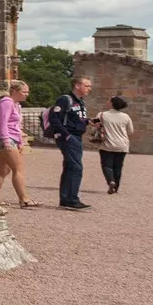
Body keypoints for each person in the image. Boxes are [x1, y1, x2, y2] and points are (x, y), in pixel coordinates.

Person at [48, 75, 94, 210]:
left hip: (76, 136)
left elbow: (74, 118)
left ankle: (66, 199)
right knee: (76, 167)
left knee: (70, 167)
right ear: (77, 86)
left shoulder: (80, 101)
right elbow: (54, 118)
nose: (89, 89)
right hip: (69, 137)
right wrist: (66, 135)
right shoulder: (65, 99)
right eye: (87, 86)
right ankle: (72, 199)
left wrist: (88, 121)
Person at [0, 79, 36, 208]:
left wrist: (20, 140)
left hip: (11, 138)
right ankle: (24, 199)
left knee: (4, 170)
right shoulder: (6, 103)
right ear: (15, 91)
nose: (27, 94)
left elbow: (16, 125)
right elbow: (2, 123)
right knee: (18, 169)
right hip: (6, 139)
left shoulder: (15, 105)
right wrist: (6, 141)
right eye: (24, 92)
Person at [93, 95, 134, 194]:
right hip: (122, 144)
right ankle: (116, 187)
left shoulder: (101, 114)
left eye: (109, 100)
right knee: (118, 166)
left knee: (106, 165)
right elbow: (131, 131)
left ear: (112, 103)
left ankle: (111, 181)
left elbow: (94, 127)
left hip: (107, 144)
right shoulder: (126, 116)